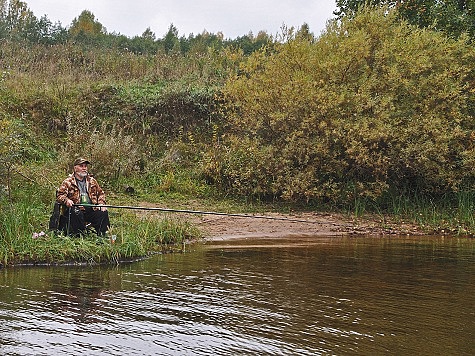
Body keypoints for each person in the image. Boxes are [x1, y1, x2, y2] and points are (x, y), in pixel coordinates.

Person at [56, 158, 110, 236]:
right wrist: (66, 200)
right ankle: (80, 236)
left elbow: (101, 193)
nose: (84, 168)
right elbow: (60, 195)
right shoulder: (68, 182)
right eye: (81, 166)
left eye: (85, 166)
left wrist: (101, 203)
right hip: (75, 211)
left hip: (91, 210)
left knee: (103, 212)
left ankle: (103, 236)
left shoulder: (92, 181)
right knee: (75, 212)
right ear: (75, 168)